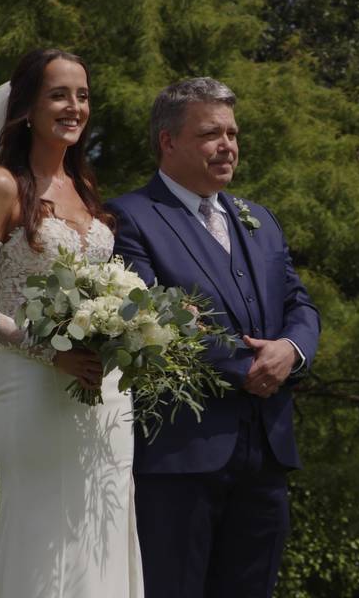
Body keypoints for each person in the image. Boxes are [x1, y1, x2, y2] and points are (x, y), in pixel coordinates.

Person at [108, 77, 321, 598]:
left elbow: (299, 303)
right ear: (168, 142)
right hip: (182, 453)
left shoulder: (260, 220)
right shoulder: (129, 217)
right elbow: (147, 317)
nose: (227, 145)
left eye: (232, 132)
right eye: (210, 134)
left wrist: (289, 352)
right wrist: (244, 367)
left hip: (266, 451)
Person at [0, 48, 143, 598]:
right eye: (59, 94)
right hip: (33, 383)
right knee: (43, 532)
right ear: (28, 108)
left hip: (103, 394)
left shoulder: (84, 187)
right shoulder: (1, 186)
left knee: (103, 526)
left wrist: (124, 335)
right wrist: (49, 351)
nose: (74, 107)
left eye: (82, 96)